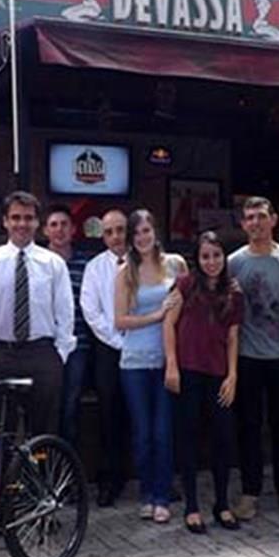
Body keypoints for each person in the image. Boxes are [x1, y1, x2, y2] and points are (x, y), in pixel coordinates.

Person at [227, 196, 279, 520]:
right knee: (249, 427)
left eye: (261, 216)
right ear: (243, 223)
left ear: (274, 220)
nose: (256, 222)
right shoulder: (234, 263)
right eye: (250, 217)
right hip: (247, 357)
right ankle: (250, 493)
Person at [0, 191, 75, 435]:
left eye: (28, 218)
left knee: (43, 431)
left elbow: (65, 312)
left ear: (37, 223)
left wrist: (59, 354)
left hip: (41, 354)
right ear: (5, 221)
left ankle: (37, 463)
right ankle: (3, 462)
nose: (22, 224)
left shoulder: (53, 263)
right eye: (16, 218)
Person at [163, 231, 244, 534]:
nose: (211, 262)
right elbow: (168, 325)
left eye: (216, 256)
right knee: (189, 438)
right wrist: (172, 364)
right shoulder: (185, 285)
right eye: (205, 256)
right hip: (188, 371)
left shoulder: (234, 292)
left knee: (223, 439)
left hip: (219, 373)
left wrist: (232, 375)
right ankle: (192, 506)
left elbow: (233, 336)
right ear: (197, 259)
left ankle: (222, 503)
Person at [114, 209, 185, 524]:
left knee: (163, 432)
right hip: (134, 363)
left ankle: (162, 496)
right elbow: (120, 321)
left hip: (167, 359)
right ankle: (146, 493)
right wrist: (156, 315)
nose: (142, 237)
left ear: (155, 232)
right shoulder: (125, 272)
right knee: (143, 433)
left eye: (146, 230)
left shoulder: (175, 265)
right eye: (136, 233)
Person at [80, 208, 130, 507]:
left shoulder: (144, 262)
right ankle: (110, 480)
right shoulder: (95, 267)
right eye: (109, 232)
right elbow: (91, 312)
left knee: (142, 412)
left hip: (143, 348)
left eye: (120, 230)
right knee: (109, 414)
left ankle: (149, 476)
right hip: (107, 350)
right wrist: (118, 341)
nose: (115, 237)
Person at [43, 204, 93, 446]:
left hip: (78, 345)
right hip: (45, 346)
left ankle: (67, 461)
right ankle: (43, 459)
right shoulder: (38, 262)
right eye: (53, 225)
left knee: (70, 405)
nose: (59, 230)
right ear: (45, 231)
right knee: (47, 405)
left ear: (73, 229)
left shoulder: (87, 264)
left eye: (64, 224)